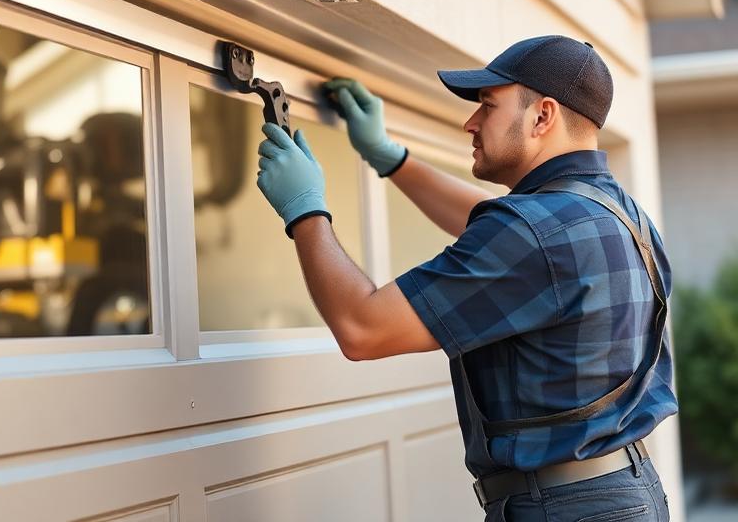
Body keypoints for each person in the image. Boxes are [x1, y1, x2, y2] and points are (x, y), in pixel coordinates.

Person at [255, 35, 677, 521]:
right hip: (626, 491)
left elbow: (362, 329)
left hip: (562, 508)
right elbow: (495, 228)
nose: (470, 123)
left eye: (488, 106)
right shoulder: (618, 214)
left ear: (543, 116)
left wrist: (305, 210)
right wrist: (389, 157)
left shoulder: (531, 234)